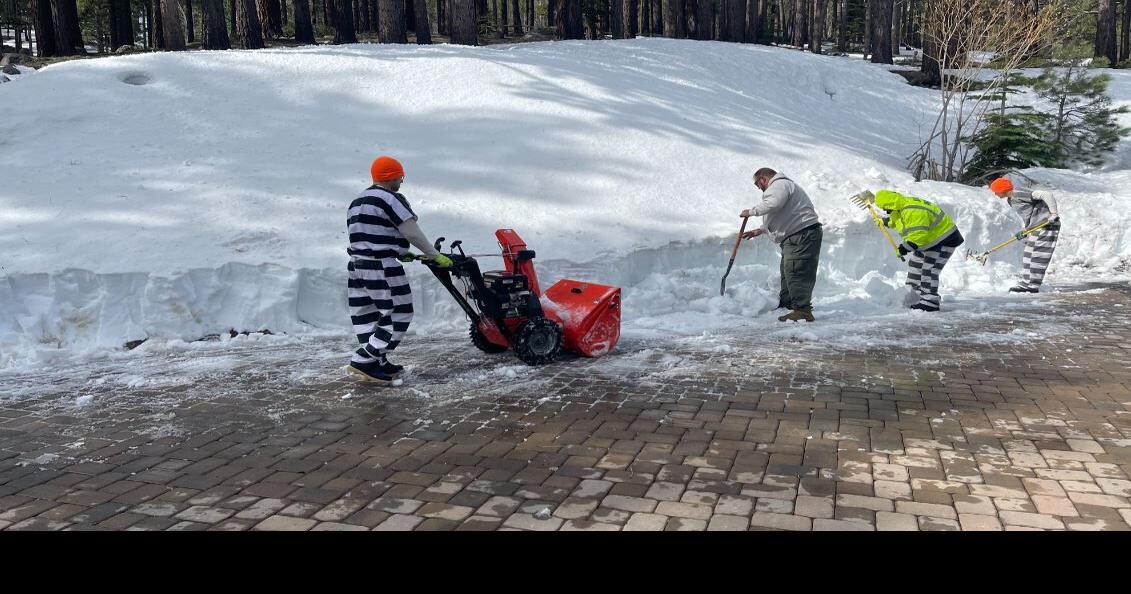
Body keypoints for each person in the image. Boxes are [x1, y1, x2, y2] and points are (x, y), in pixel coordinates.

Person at [345, 156, 451, 383]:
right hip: (381, 266)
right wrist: (435, 255)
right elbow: (411, 232)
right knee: (399, 312)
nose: (401, 182)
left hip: (357, 265)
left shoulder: (357, 201)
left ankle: (378, 361)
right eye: (400, 177)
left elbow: (370, 234)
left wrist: (401, 252)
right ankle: (364, 359)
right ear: (390, 176)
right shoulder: (390, 199)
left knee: (368, 314)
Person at [852, 189, 964, 312]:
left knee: (929, 269)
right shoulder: (901, 206)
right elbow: (898, 219)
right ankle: (913, 293)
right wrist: (885, 221)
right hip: (930, 241)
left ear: (892, 205)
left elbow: (919, 236)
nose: (886, 211)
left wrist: (904, 248)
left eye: (887, 209)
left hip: (944, 239)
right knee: (915, 264)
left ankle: (930, 302)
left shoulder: (913, 211)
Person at [740, 168, 823, 322]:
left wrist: (751, 212)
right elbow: (781, 213)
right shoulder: (782, 187)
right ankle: (788, 304)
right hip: (796, 235)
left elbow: (773, 204)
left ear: (763, 178)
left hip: (801, 234)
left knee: (796, 270)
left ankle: (802, 311)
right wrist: (760, 230)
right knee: (788, 271)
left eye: (758, 184)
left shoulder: (779, 185)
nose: (759, 188)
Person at [988, 177, 1061, 293]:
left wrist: (1053, 214)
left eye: (996, 191)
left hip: (1048, 225)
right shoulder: (1011, 200)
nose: (995, 194)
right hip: (1036, 227)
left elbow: (1047, 195)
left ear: (1002, 189)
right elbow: (1030, 214)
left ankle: (1033, 286)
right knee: (1028, 255)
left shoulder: (1018, 193)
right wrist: (1026, 230)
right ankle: (1026, 283)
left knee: (1038, 256)